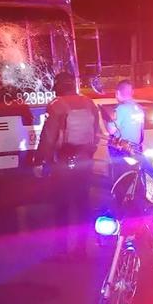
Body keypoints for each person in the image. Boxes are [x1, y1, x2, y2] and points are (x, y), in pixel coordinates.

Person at [36, 71, 101, 258]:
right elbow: (95, 133)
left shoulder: (57, 106)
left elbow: (48, 137)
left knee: (61, 206)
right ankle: (81, 249)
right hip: (84, 161)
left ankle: (61, 249)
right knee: (83, 205)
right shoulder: (89, 103)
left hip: (63, 161)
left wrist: (42, 160)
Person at [104, 79, 145, 183]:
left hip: (122, 150)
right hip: (136, 148)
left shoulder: (120, 109)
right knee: (133, 178)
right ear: (132, 93)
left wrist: (108, 121)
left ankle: (120, 197)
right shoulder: (139, 108)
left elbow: (111, 130)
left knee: (120, 179)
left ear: (117, 93)